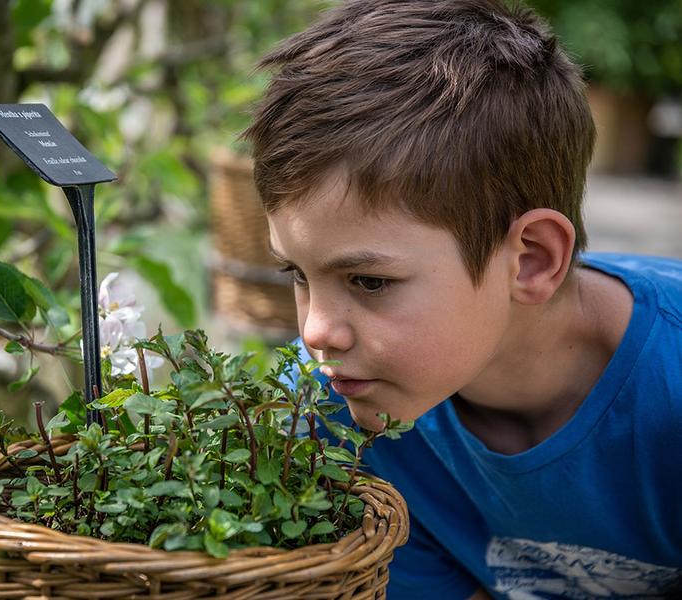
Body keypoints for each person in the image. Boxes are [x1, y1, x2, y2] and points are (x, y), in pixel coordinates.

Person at [241, 0, 682, 598]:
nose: (316, 331)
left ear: (532, 259)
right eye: (297, 273)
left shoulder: (669, 394)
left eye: (370, 282)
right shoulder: (327, 407)